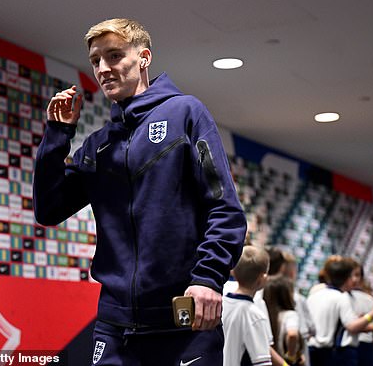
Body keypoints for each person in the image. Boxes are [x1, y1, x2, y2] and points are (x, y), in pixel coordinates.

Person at [33, 18, 247, 366]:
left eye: (114, 56)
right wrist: (57, 134)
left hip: (183, 320)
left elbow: (224, 208)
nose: (103, 69)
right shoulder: (98, 145)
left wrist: (209, 277)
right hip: (115, 325)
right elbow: (49, 209)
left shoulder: (185, 113)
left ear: (144, 58)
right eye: (96, 60)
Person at [307, 256, 373, 366]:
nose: (355, 280)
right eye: (352, 275)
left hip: (312, 350)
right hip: (334, 353)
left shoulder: (314, 295)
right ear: (346, 278)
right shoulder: (342, 297)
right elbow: (352, 326)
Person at [222, 245, 274, 366]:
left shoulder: (220, 304)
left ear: (233, 272)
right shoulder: (255, 315)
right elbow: (262, 363)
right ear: (263, 278)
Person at [264, 275, 304, 365]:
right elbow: (292, 334)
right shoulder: (290, 315)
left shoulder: (263, 314)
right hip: (283, 361)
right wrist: (291, 356)